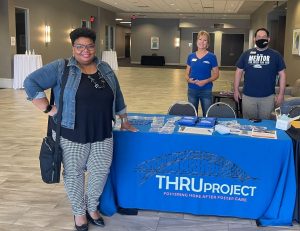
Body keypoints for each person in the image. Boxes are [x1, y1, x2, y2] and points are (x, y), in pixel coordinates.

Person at [24, 27, 137, 231]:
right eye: (80, 46)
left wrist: (124, 119)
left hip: (103, 130)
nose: (85, 50)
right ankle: (79, 212)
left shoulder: (105, 68)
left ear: (95, 47)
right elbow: (30, 82)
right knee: (74, 173)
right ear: (73, 47)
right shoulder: (62, 67)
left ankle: (92, 206)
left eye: (90, 46)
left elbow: (117, 94)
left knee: (100, 171)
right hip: (72, 132)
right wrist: (48, 108)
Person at [234, 27, 286, 120]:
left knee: (266, 125)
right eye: (258, 36)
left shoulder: (275, 55)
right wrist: (236, 90)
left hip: (268, 97)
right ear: (254, 39)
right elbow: (238, 72)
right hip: (248, 96)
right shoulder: (246, 54)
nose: (261, 39)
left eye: (264, 36)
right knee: (248, 124)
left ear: (268, 39)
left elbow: (282, 74)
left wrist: (281, 94)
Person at [185, 30, 219, 116]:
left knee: (207, 115)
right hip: (192, 89)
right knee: (192, 114)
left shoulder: (212, 57)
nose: (202, 42)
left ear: (208, 43)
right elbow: (186, 73)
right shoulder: (191, 56)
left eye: (205, 40)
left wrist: (206, 81)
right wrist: (188, 80)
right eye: (200, 39)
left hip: (206, 90)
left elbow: (216, 74)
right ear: (197, 41)